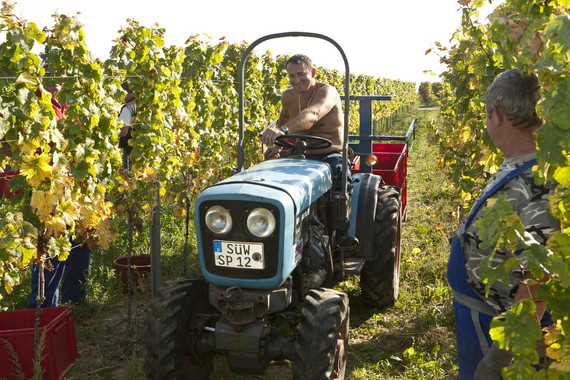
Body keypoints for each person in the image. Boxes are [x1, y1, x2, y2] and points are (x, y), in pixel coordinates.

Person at [446, 69, 560, 379]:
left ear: (497, 115)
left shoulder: (540, 181)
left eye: (486, 116)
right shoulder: (521, 165)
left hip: (499, 330)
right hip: (481, 318)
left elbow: (537, 276)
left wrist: (500, 358)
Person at [29, 77, 91, 309]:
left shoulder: (69, 104)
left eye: (62, 73)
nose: (57, 79)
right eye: (51, 73)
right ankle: (43, 309)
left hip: (75, 188)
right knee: (50, 251)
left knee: (79, 246)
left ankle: (76, 302)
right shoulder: (35, 101)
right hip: (48, 190)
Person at [260, 54, 345, 182]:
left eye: (301, 74)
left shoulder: (327, 92)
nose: (297, 80)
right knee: (268, 178)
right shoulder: (288, 96)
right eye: (292, 76)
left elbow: (313, 115)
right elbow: (284, 118)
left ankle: (345, 200)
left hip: (330, 156)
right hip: (299, 154)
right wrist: (278, 146)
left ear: (313, 72)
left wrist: (282, 130)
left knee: (339, 185)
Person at [118, 81, 137, 170]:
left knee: (130, 177)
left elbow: (124, 132)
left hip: (130, 150)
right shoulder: (142, 105)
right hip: (143, 148)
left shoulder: (127, 108)